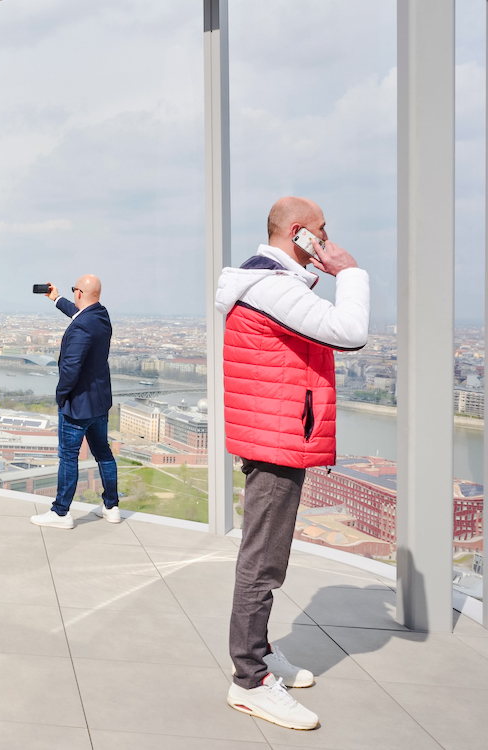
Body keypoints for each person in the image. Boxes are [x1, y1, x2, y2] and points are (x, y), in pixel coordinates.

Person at [215, 196, 368, 731]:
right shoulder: (273, 288)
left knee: (265, 556)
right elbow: (350, 332)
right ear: (299, 232)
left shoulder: (268, 283)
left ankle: (259, 651)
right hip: (277, 439)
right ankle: (250, 680)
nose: (327, 239)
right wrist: (348, 271)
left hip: (275, 433)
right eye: (322, 231)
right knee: (263, 561)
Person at [30, 275, 119, 530]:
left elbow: (70, 368)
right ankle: (111, 507)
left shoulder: (81, 327)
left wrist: (61, 395)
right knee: (103, 453)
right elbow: (79, 314)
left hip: (77, 404)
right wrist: (57, 298)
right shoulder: (101, 316)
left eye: (73, 290)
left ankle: (60, 512)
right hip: (99, 402)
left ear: (79, 292)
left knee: (68, 457)